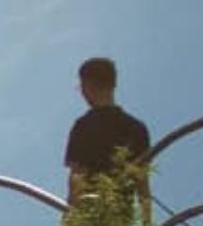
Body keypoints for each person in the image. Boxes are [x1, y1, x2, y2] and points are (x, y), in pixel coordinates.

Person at [63, 55, 155, 204]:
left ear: (87, 85)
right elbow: (142, 185)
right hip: (121, 220)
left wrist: (69, 221)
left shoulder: (83, 126)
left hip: (88, 219)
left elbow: (76, 180)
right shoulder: (137, 128)